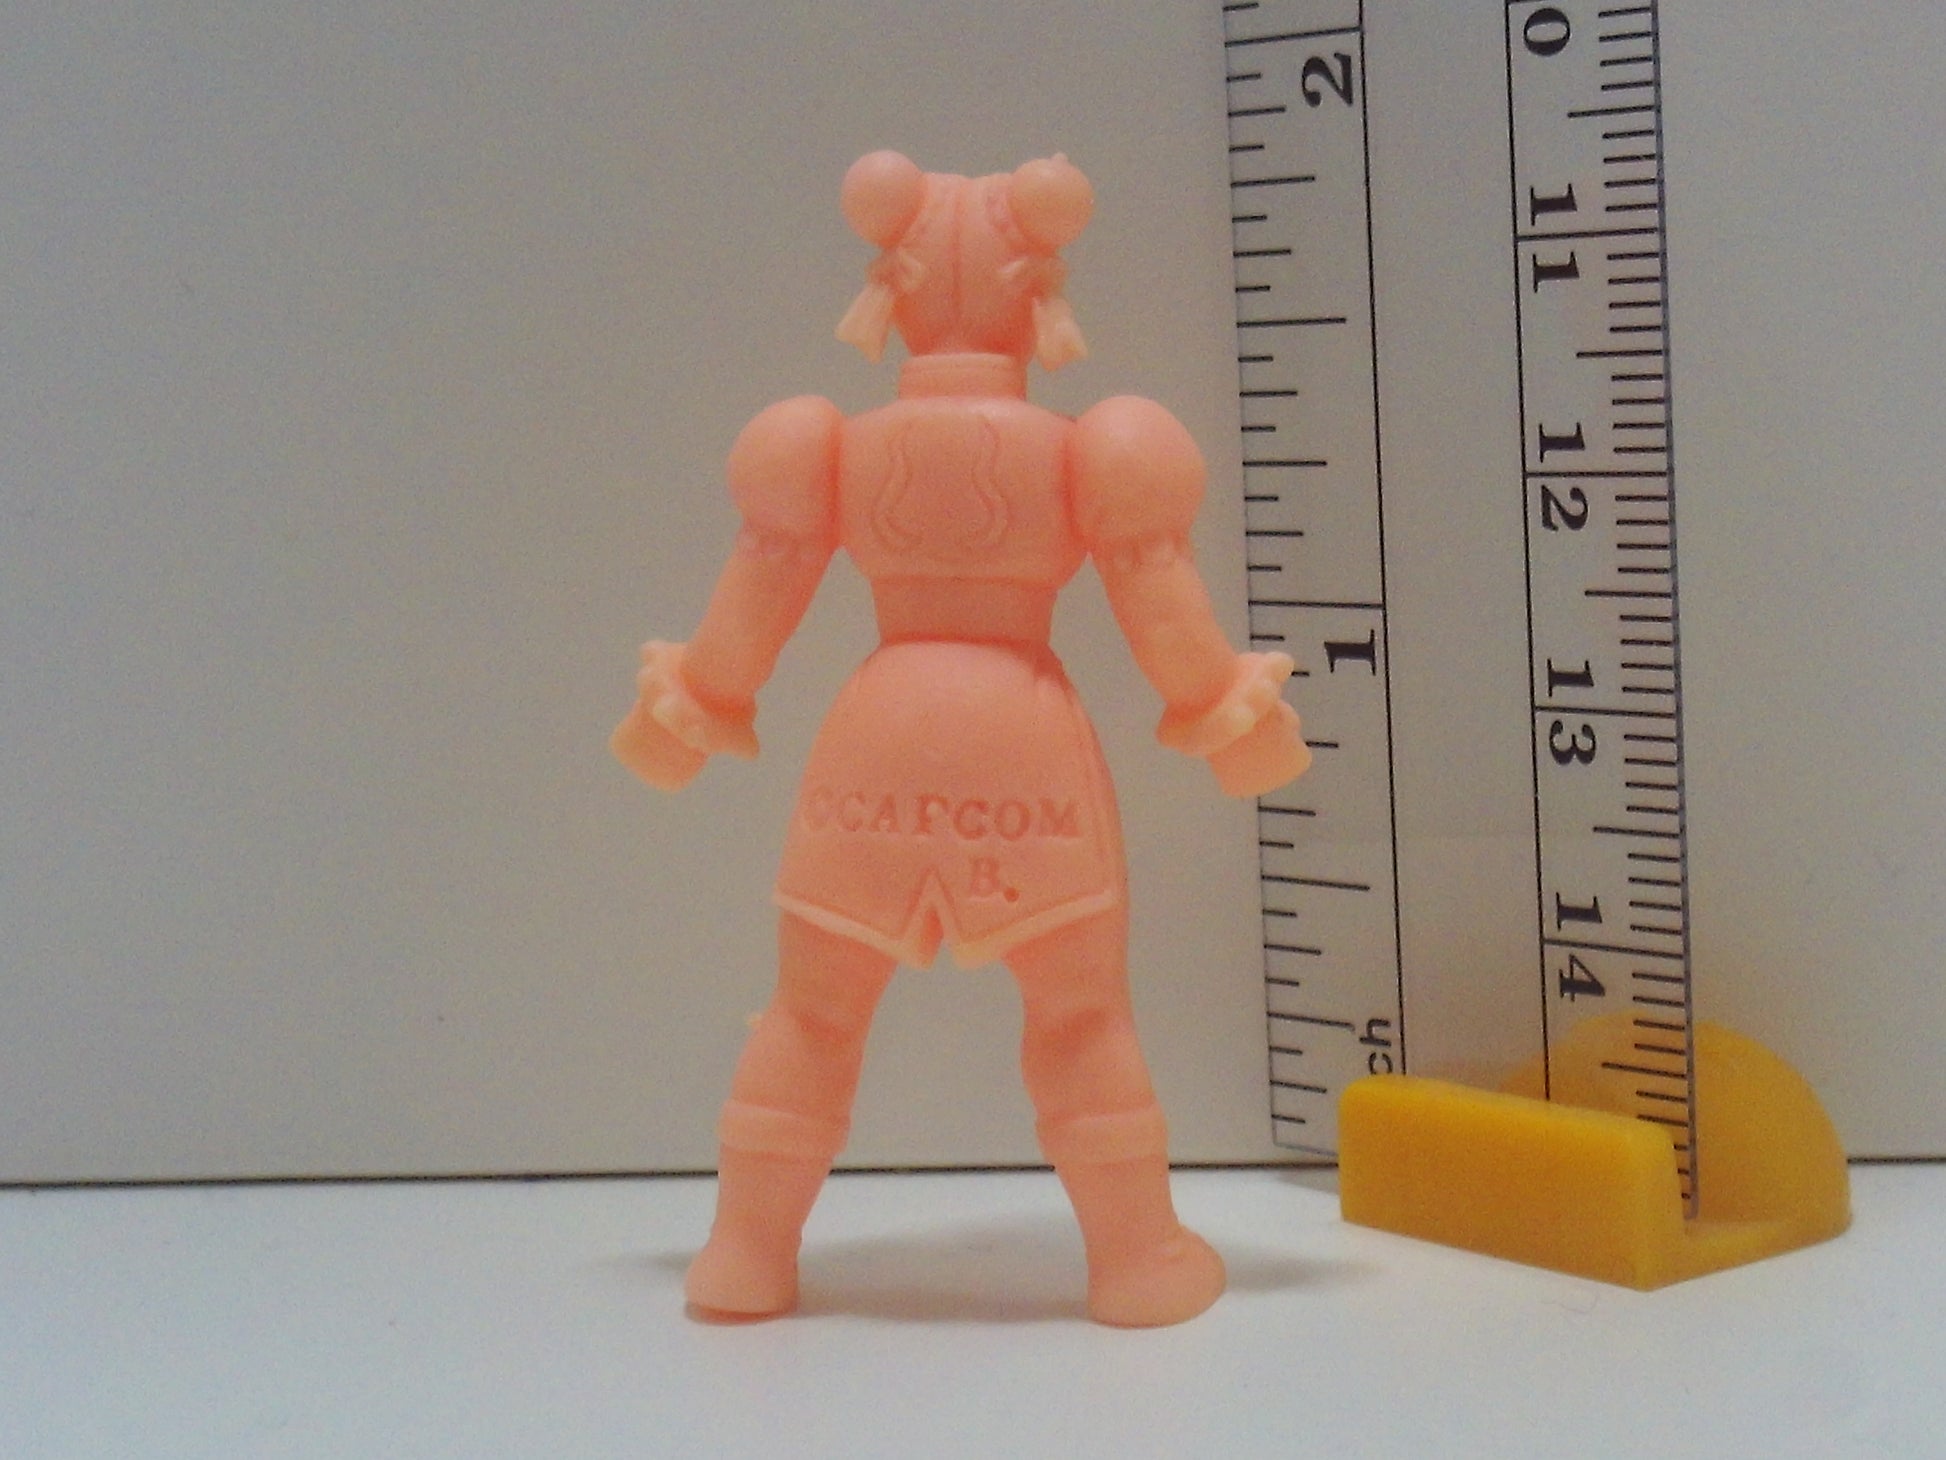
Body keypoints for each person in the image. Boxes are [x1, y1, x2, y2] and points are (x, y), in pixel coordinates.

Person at [613, 151, 1310, 1326]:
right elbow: (1161, 610)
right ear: (1033, 295)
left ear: (890, 290)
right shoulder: (1096, 445)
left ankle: (743, 1254)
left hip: (871, 745)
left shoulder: (824, 443)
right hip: (1022, 741)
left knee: (810, 1013)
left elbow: (754, 600)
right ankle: (1135, 1259)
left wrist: (675, 725)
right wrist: (1241, 734)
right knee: (1080, 1015)